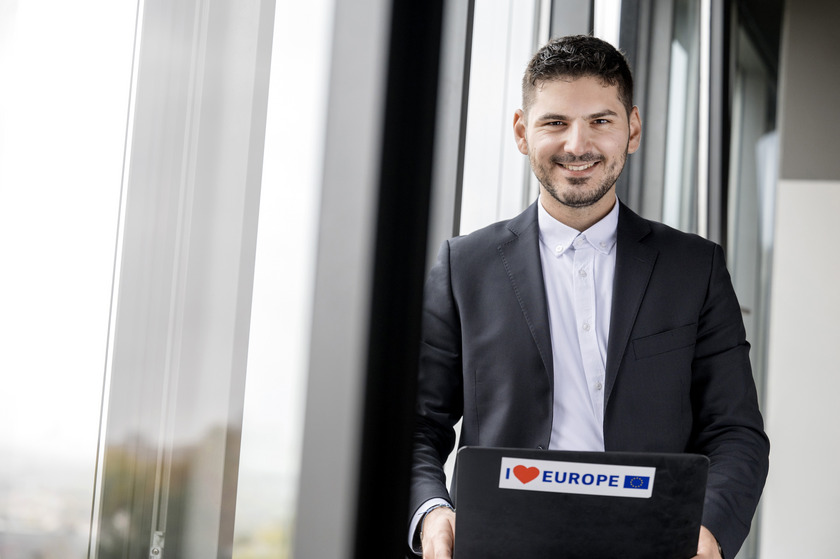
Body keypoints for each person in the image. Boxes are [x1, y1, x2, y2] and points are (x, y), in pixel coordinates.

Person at [408, 35, 769, 559]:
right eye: (555, 122)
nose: (578, 145)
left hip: (652, 546)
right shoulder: (464, 267)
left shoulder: (696, 268)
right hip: (500, 545)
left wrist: (708, 530)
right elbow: (419, 425)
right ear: (521, 132)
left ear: (633, 130)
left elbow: (736, 431)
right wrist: (432, 512)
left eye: (601, 120)